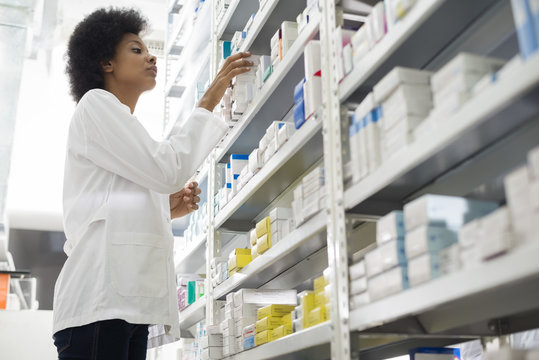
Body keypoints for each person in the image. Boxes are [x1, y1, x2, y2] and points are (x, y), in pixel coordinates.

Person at [52, 7, 253, 359]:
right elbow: (167, 169)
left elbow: (115, 204)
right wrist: (211, 96)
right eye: (136, 49)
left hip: (123, 309)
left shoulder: (117, 124)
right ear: (105, 62)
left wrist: (164, 207)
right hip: (99, 307)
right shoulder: (95, 105)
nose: (151, 55)